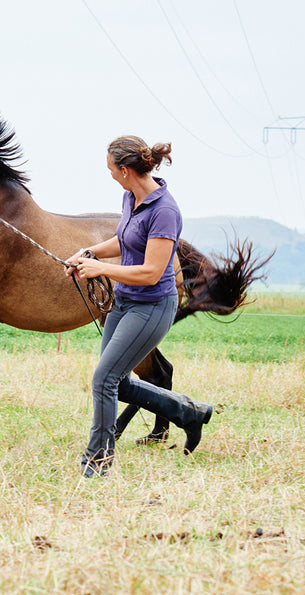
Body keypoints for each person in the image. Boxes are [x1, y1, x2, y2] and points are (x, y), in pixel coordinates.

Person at [65, 135, 214, 477]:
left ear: (126, 169)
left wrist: (100, 269)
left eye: (111, 170)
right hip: (125, 302)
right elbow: (125, 239)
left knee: (104, 379)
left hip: (153, 305)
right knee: (117, 381)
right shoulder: (130, 197)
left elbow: (151, 272)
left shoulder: (165, 211)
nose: (111, 175)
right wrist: (88, 254)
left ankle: (97, 461)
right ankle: (188, 413)